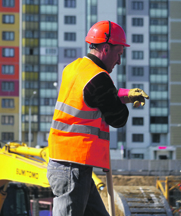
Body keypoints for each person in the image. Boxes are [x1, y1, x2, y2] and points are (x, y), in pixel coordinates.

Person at [47, 21, 149, 216]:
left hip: (69, 164)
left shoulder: (74, 68)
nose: (119, 61)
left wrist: (123, 95)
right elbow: (118, 118)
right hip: (72, 167)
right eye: (119, 54)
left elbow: (91, 98)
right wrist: (123, 101)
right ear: (105, 48)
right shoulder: (98, 77)